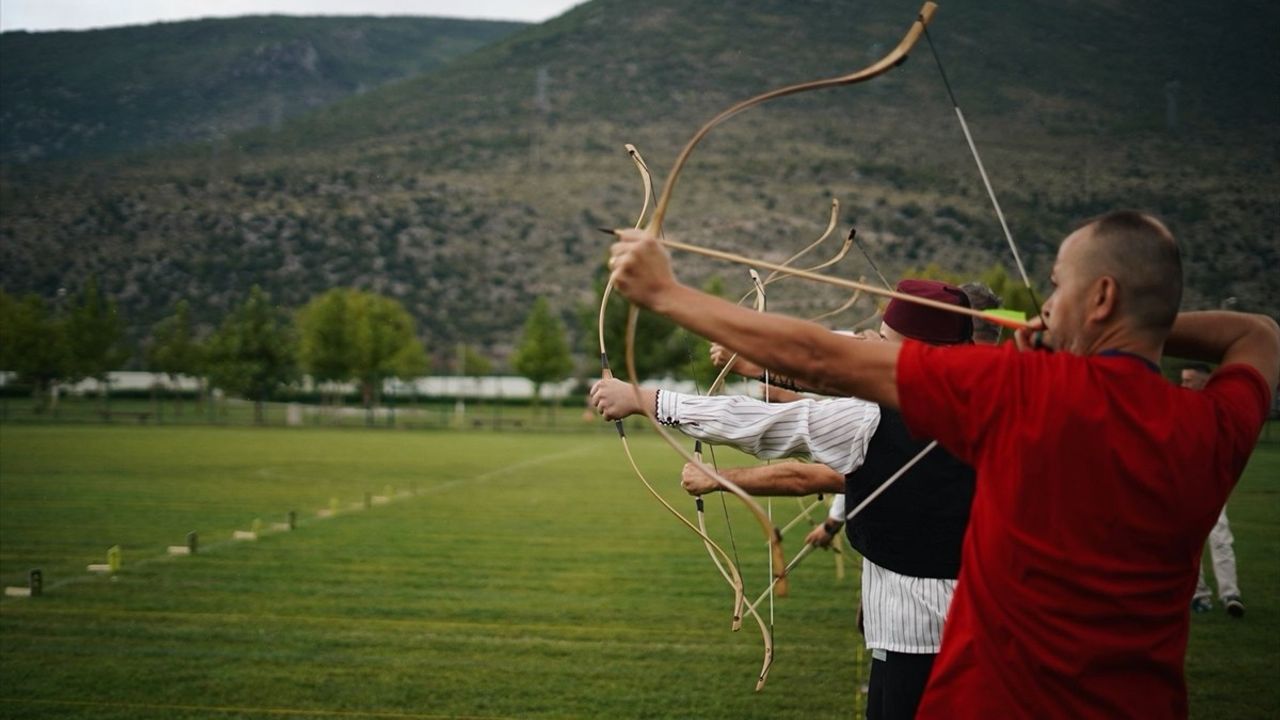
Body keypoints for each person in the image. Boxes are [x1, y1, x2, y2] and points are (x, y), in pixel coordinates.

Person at [606, 210, 1279, 717]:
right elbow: (1259, 334)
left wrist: (666, 295)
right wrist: (1138, 326)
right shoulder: (1215, 426)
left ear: (1101, 298)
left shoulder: (1023, 390)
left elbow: (821, 359)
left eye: (1055, 288)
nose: (1041, 308)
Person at [592, 279, 980, 720]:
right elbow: (840, 355)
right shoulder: (993, 397)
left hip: (920, 628)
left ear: (917, 351)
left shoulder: (874, 415)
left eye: (885, 343)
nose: (871, 347)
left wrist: (643, 398)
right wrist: (763, 363)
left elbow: (766, 423)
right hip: (973, 613)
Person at [1182, 362, 1246, 617]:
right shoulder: (1179, 408)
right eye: (1183, 380)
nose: (1183, 384)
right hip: (1183, 485)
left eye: (1188, 380)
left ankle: (1230, 594)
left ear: (1204, 382)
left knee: (1220, 535)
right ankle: (1199, 594)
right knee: (1189, 539)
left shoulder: (1215, 409)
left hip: (1212, 484)